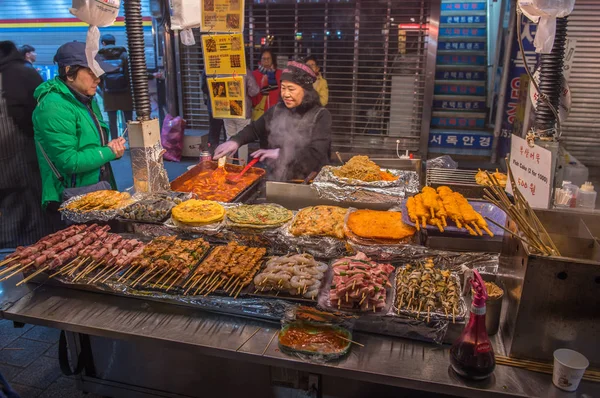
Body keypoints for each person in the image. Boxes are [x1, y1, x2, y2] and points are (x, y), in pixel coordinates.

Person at [32, 41, 126, 213]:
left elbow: (91, 146)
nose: (98, 79)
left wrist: (110, 149)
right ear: (69, 73)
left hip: (96, 188)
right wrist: (109, 152)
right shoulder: (54, 106)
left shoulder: (84, 98)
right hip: (72, 197)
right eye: (91, 72)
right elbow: (69, 161)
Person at [214, 61, 331, 181]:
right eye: (283, 88)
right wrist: (235, 141)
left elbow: (316, 152)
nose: (285, 94)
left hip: (309, 179)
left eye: (291, 89)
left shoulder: (320, 115)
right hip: (279, 176)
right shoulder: (277, 110)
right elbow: (254, 129)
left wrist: (281, 154)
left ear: (306, 92)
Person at [0, 41, 54, 247]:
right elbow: (42, 115)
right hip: (25, 160)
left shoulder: (18, 74)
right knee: (34, 222)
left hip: (18, 160)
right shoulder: (25, 73)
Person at [98, 34, 134, 140]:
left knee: (112, 121)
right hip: (125, 92)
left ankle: (115, 142)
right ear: (114, 42)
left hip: (109, 94)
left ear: (103, 43)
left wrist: (104, 88)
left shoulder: (100, 57)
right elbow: (129, 73)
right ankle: (131, 140)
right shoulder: (124, 55)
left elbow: (99, 76)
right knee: (129, 120)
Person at [222, 68, 260, 163]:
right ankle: (241, 168)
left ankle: (227, 167)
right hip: (242, 110)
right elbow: (254, 91)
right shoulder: (244, 71)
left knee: (229, 138)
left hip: (227, 109)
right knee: (243, 141)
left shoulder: (222, 71)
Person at [251, 49, 282, 120]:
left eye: (268, 58)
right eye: (264, 59)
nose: (266, 61)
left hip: (276, 112)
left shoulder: (280, 73)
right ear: (260, 60)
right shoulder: (254, 74)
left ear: (272, 59)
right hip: (259, 112)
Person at [201, 70, 225, 155]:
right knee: (228, 134)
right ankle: (228, 158)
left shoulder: (208, 69)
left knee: (214, 133)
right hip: (225, 107)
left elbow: (204, 88)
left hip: (214, 106)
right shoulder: (226, 67)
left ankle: (213, 155)